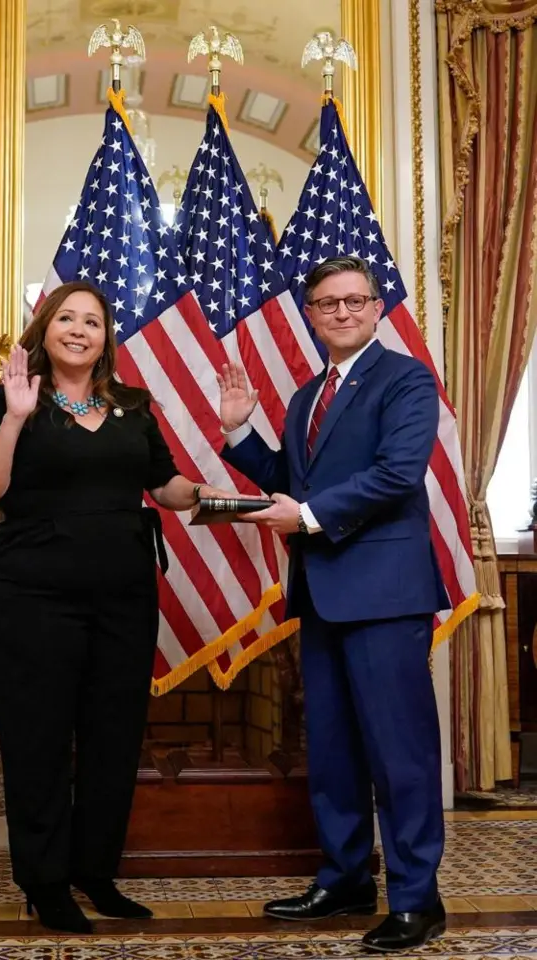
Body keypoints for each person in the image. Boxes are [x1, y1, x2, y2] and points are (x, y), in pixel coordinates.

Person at [0, 280, 232, 934]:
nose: (80, 329)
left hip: (123, 595)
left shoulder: (133, 405)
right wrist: (18, 418)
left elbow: (164, 484)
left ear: (106, 336)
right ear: (45, 329)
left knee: (113, 737)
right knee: (38, 739)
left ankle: (96, 872)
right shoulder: (12, 397)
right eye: (67, 318)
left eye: (92, 321)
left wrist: (215, 479)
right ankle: (45, 880)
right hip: (30, 596)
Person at [217, 256, 448, 953]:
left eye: (354, 300)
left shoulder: (406, 379)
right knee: (335, 752)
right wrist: (240, 433)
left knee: (400, 756)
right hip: (321, 595)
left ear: (377, 308)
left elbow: (398, 474)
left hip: (385, 595)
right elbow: (293, 484)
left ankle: (417, 900)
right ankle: (346, 879)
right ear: (312, 315)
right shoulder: (305, 397)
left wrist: (309, 517)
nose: (342, 312)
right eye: (328, 303)